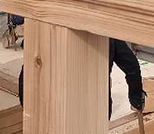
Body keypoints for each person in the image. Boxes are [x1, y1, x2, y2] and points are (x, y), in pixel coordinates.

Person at [16, 30, 146, 118]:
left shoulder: (50, 34)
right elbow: (132, 66)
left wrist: (28, 109)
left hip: (63, 110)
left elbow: (28, 72)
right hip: (98, 109)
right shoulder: (107, 35)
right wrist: (136, 99)